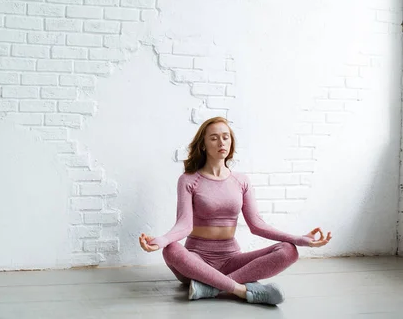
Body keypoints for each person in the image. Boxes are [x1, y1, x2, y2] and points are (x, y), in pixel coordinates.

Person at [138, 116, 332, 305]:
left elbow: (257, 225)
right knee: (171, 249)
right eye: (214, 138)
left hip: (231, 259)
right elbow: (184, 224)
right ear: (203, 145)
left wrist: (298, 239)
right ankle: (239, 290)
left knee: (289, 250)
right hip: (196, 261)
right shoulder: (189, 180)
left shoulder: (241, 180)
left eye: (226, 136)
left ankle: (211, 288)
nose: (221, 141)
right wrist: (161, 240)